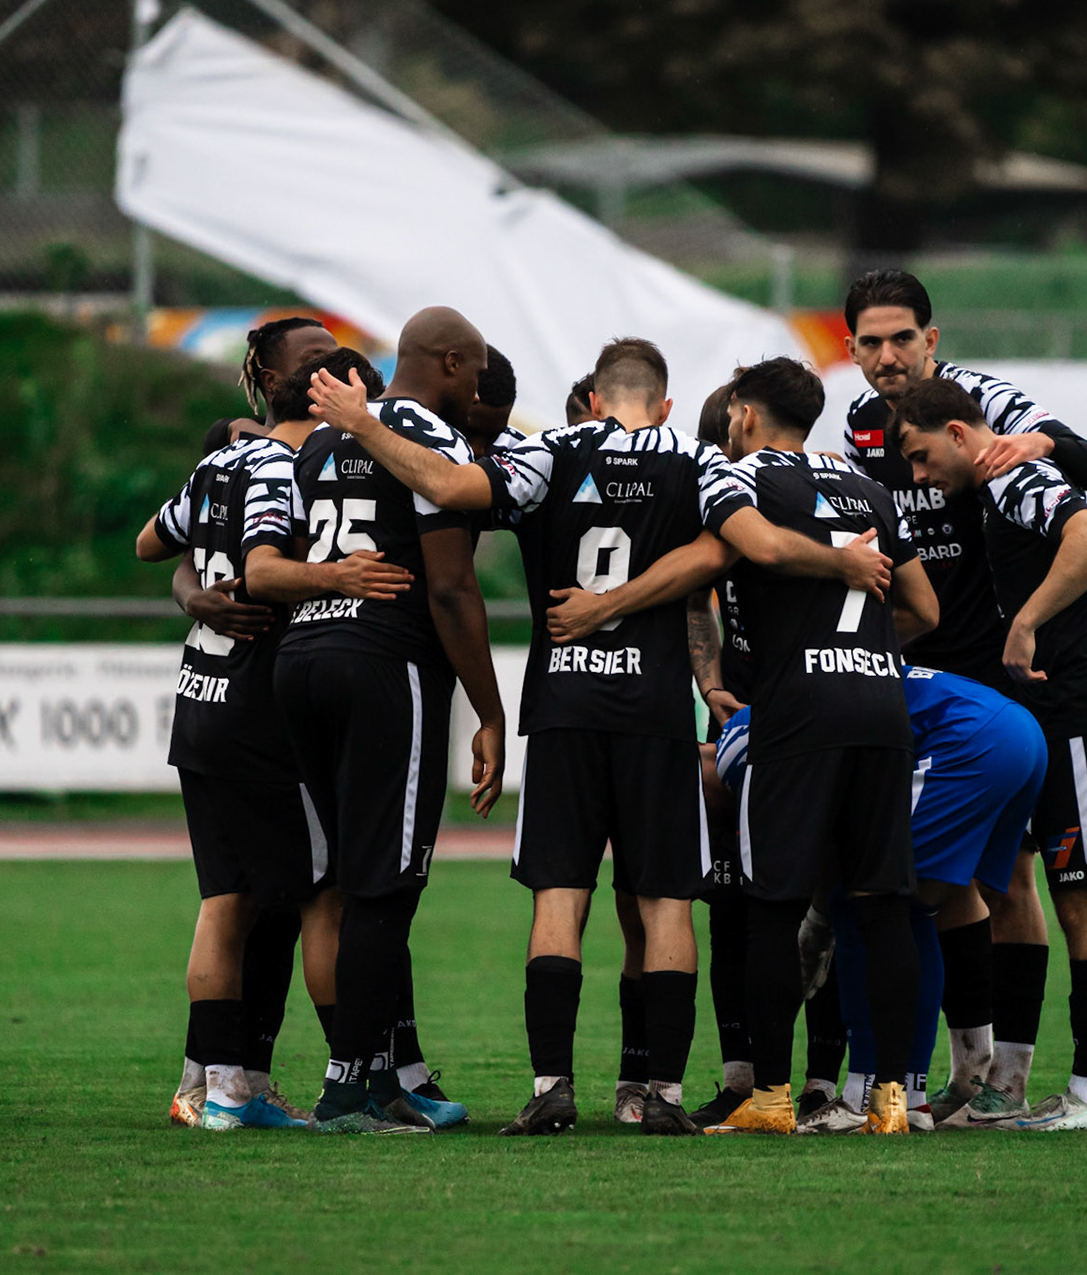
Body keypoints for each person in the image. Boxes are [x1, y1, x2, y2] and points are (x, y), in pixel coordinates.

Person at [309, 339, 892, 1137]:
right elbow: (731, 547)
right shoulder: (698, 458)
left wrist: (360, 424)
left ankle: (552, 1088)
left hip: (564, 709)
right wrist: (842, 560)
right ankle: (662, 1094)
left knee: (560, 896)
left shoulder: (548, 449)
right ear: (664, 404)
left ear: (592, 401)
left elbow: (447, 484)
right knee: (665, 904)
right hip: (654, 715)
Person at [838, 268, 1087, 1127]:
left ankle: (1009, 1079)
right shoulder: (859, 429)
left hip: (1003, 680)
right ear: (850, 349)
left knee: (1012, 881)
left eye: (902, 339)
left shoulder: (987, 399)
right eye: (870, 342)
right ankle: (965, 1070)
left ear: (932, 338)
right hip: (917, 678)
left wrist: (1040, 446)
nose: (888, 357)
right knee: (937, 879)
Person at [248, 307, 508, 1136]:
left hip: (300, 663)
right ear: (453, 362)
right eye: (474, 372)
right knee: (386, 888)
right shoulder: (432, 434)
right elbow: (450, 588)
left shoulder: (318, 441)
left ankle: (390, 1079)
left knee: (337, 889)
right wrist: (491, 710)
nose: (477, 388)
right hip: (384, 667)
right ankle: (348, 1090)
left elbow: (277, 562)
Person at [893, 376, 1087, 1132]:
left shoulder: (1009, 478)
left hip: (1085, 708)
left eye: (919, 457)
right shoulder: (1002, 483)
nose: (917, 477)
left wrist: (1027, 621)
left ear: (956, 431)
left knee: (1083, 906)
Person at [132, 337, 378, 1131]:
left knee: (229, 898)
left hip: (200, 699)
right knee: (319, 893)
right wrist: (341, 576)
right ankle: (351, 1089)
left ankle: (212, 1087)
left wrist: (196, 590)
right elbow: (265, 569)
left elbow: (151, 542)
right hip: (255, 712)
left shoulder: (219, 464)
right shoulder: (281, 468)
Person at [708, 665, 1047, 1132]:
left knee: (873, 901)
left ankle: (867, 1094)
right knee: (920, 906)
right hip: (1016, 731)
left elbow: (820, 832)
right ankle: (916, 1093)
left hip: (968, 740)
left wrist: (818, 920)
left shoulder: (751, 747)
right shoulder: (789, 706)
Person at [675, 379, 848, 1129]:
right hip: (748, 719)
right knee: (735, 902)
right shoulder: (739, 492)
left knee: (810, 905)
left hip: (799, 717)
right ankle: (749, 1076)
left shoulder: (770, 489)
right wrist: (711, 683)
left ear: (741, 431)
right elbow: (695, 597)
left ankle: (814, 1081)